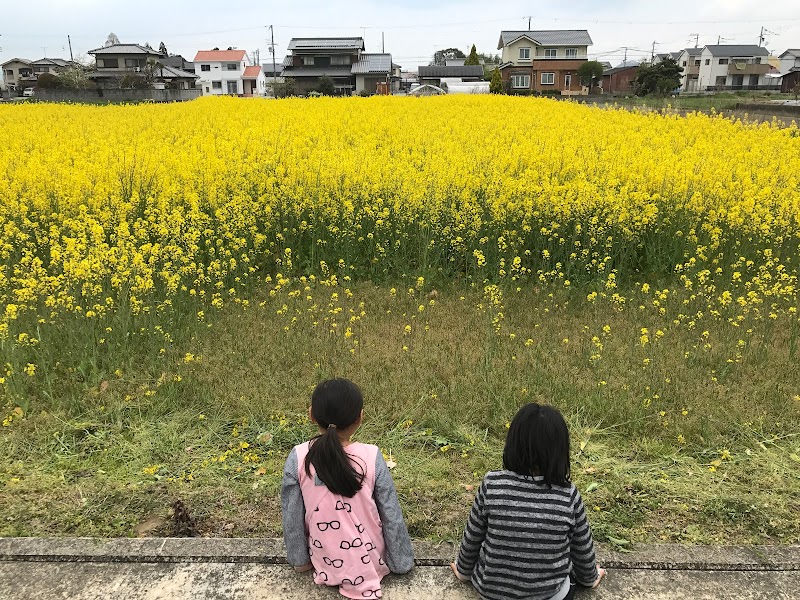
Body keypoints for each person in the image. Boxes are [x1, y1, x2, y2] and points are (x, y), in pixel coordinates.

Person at [451, 403, 606, 600]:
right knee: (568, 578)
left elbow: (473, 538)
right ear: (560, 451)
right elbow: (582, 549)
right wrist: (591, 578)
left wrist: (463, 571)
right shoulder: (568, 495)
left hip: (492, 593)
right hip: (549, 595)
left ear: (513, 444)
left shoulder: (492, 483)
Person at [281, 378, 414, 599]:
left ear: (311, 414)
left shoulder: (298, 457)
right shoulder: (371, 456)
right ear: (360, 418)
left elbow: (291, 516)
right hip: (371, 562)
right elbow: (391, 515)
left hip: (324, 563)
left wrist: (300, 561)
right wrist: (401, 562)